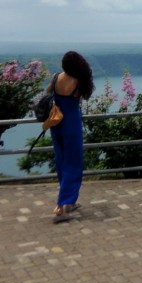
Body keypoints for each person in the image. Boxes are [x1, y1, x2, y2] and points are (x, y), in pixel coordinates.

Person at [48, 51, 95, 223]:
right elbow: (85, 96)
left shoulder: (55, 78)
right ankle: (64, 205)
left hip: (56, 122)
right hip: (71, 124)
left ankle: (67, 201)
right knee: (73, 163)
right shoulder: (78, 81)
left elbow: (48, 94)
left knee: (61, 161)